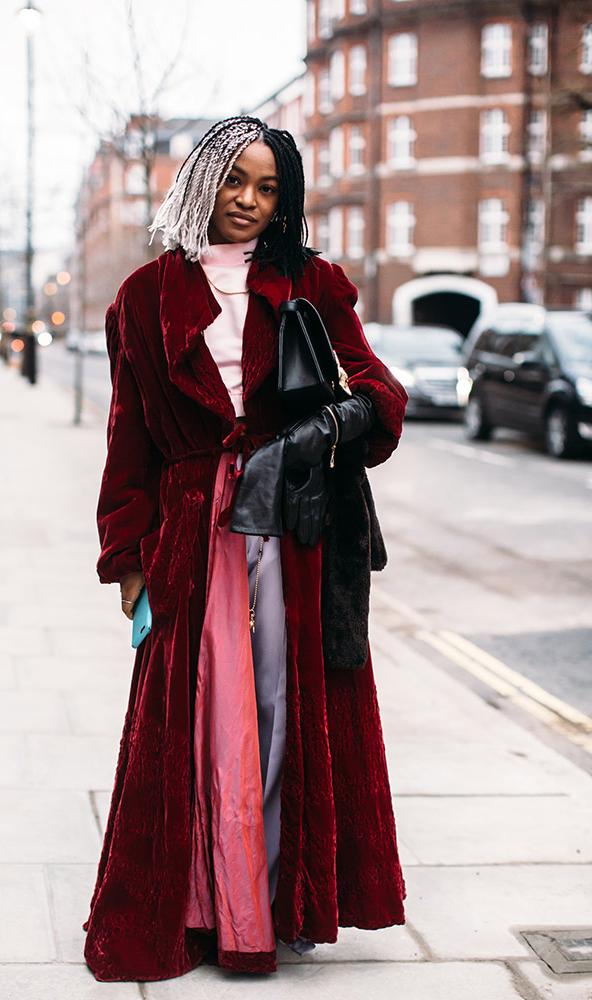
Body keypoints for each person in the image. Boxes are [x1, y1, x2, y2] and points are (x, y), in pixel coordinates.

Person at [83, 116, 408, 983]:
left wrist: (317, 433)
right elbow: (128, 443)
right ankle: (201, 907)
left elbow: (381, 394)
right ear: (202, 181)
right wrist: (127, 555)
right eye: (235, 183)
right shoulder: (145, 297)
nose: (250, 203)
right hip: (191, 531)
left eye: (268, 189)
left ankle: (274, 902)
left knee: (281, 708)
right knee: (199, 716)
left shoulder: (312, 282)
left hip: (295, 527)